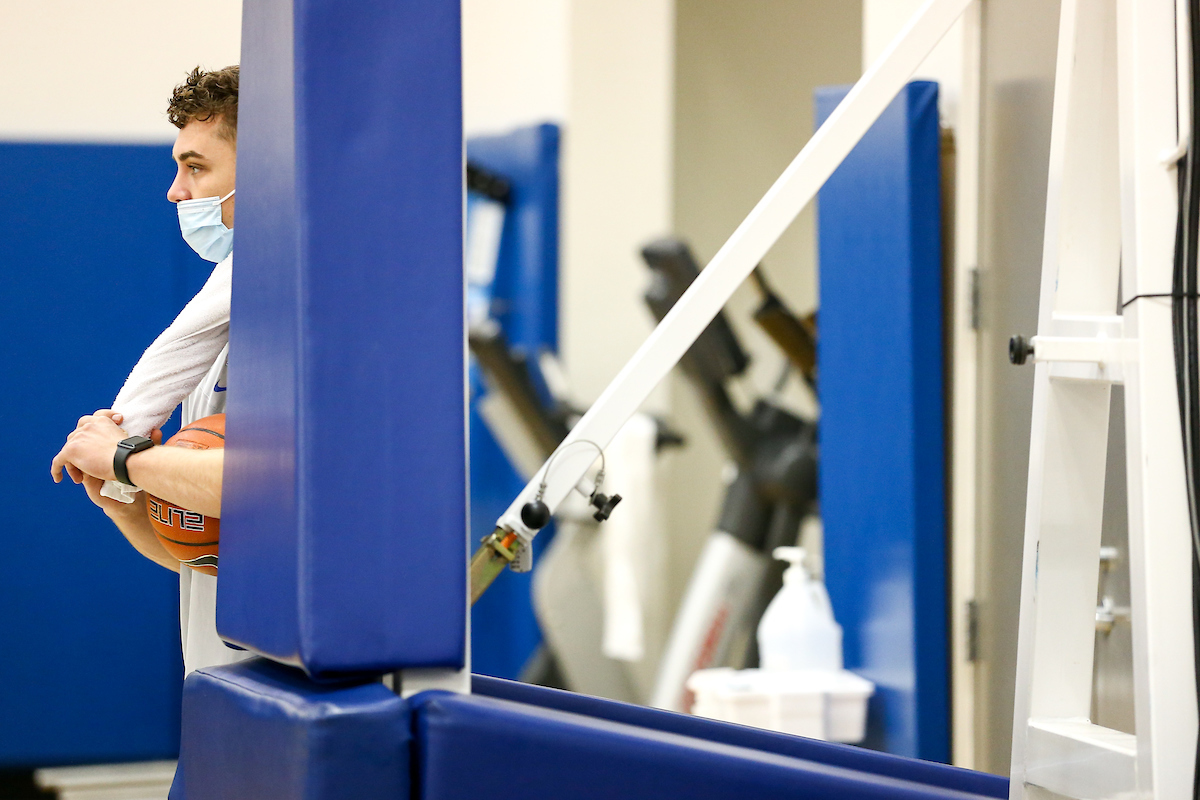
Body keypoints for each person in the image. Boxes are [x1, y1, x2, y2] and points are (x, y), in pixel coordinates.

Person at [49, 65, 247, 676]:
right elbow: (205, 553)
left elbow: (265, 487)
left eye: (196, 166)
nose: (175, 190)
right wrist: (126, 502)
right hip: (224, 681)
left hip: (307, 684)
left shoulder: (318, 313)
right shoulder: (229, 316)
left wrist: (126, 458)